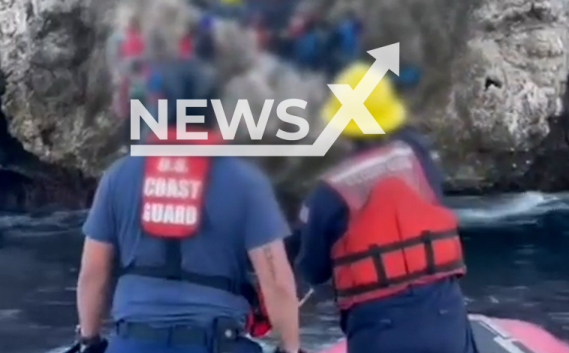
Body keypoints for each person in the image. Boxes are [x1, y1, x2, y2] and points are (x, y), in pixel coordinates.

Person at [76, 58, 302, 353]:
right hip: (216, 342)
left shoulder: (119, 176)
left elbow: (93, 273)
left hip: (132, 342)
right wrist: (291, 347)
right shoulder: (246, 182)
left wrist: (90, 340)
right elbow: (276, 282)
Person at [294, 62, 478, 353]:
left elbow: (313, 269)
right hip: (445, 318)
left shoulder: (329, 192)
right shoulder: (420, 160)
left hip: (380, 332)